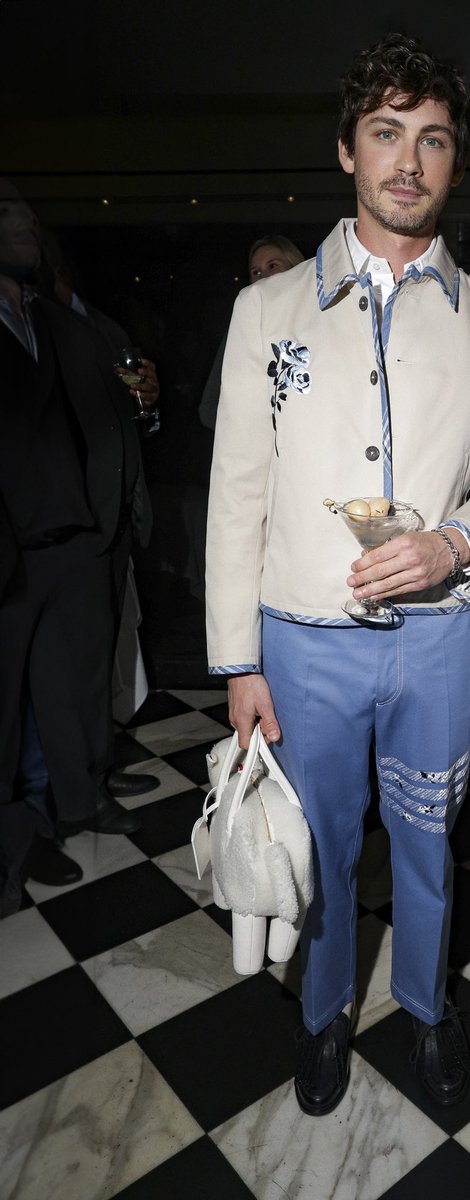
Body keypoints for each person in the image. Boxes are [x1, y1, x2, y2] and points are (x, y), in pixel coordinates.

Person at [205, 34, 470, 1114]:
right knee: (326, 849)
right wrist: (237, 660)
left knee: (433, 843)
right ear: (347, 151)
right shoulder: (268, 312)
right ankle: (322, 1013)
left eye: (432, 139)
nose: (409, 160)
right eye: (387, 134)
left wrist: (456, 544)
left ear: (453, 163)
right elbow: (236, 492)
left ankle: (430, 1009)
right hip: (303, 643)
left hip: (441, 639)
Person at [0, 179, 144, 915]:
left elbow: (107, 412)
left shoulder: (49, 320)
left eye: (29, 217)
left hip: (69, 542)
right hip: (9, 553)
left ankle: (77, 809)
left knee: (70, 691)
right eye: (9, 218)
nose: (24, 227)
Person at [198, 234, 305, 431]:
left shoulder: (319, 323)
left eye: (272, 266)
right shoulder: (242, 333)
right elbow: (209, 408)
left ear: (297, 268)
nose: (263, 277)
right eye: (256, 272)